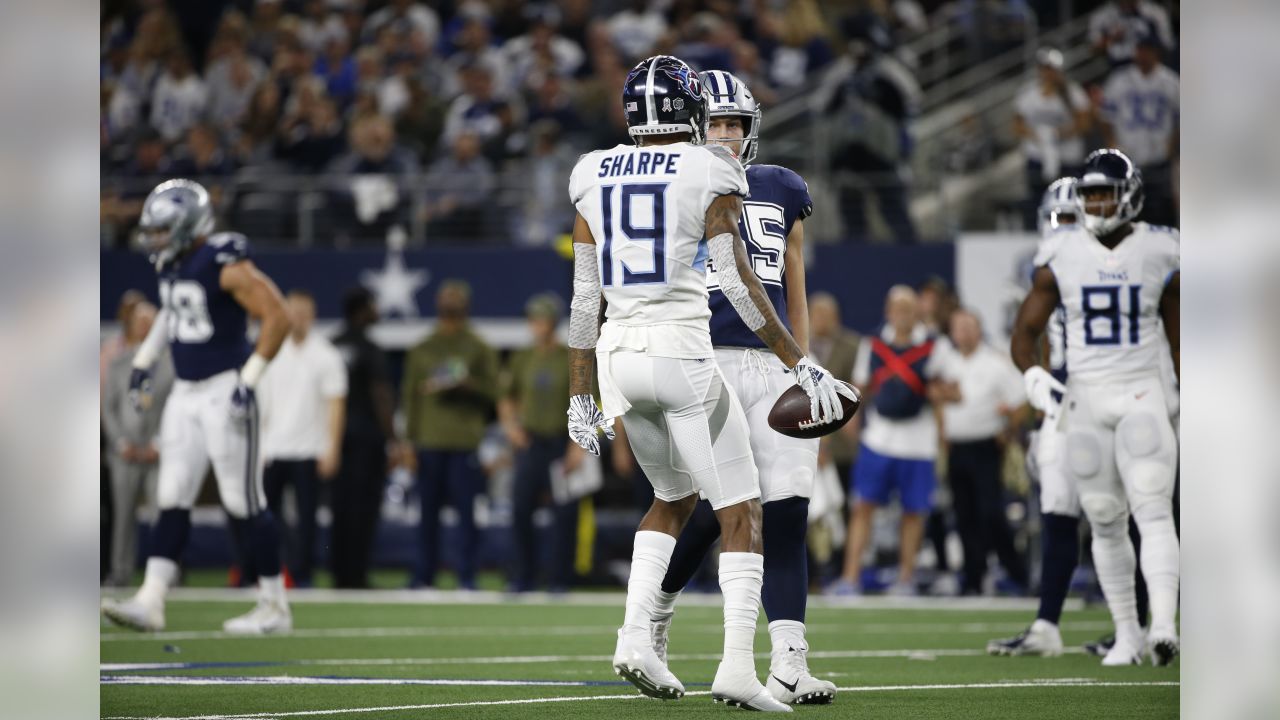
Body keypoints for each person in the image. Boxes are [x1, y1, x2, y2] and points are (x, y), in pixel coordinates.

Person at [565, 55, 851, 711]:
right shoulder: (708, 169)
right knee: (741, 510)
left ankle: (639, 636)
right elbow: (745, 287)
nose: (721, 131)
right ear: (689, 112)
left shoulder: (590, 170)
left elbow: (584, 302)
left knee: (671, 497)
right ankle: (734, 669)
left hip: (618, 359)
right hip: (688, 354)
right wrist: (800, 360)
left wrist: (582, 394)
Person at [646, 70, 837, 706]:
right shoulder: (676, 184)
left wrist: (800, 364)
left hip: (773, 366)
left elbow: (795, 286)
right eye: (716, 125)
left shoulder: (782, 187)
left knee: (786, 513)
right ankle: (653, 622)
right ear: (696, 126)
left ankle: (789, 660)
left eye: (736, 126)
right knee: (708, 512)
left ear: (751, 130)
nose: (726, 136)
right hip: (705, 359)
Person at [989, 175, 1181, 657]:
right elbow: (1030, 336)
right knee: (1084, 510)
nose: (1070, 227)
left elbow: (1172, 335)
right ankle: (1072, 625)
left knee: (1149, 508)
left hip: (1139, 391)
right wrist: (1037, 383)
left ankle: (1153, 623)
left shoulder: (1150, 253)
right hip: (1075, 400)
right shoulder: (1057, 264)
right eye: (1063, 218)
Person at [101, 179, 294, 634]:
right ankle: (151, 600)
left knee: (242, 500)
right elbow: (172, 311)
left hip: (225, 389)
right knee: (171, 496)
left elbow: (278, 316)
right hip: (185, 393)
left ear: (189, 225)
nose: (154, 239)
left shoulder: (222, 261)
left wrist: (250, 380)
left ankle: (274, 605)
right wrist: (146, 361)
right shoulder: (174, 264)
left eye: (163, 229)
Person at [830, 285, 943, 596]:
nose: (903, 316)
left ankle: (906, 578)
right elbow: (860, 390)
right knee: (862, 507)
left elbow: (946, 392)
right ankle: (850, 577)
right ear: (888, 312)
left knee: (913, 512)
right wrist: (853, 430)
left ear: (916, 312)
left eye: (908, 309)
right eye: (897, 309)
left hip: (919, 443)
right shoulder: (873, 344)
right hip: (878, 440)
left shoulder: (934, 346)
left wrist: (939, 395)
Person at [401, 280, 499, 590]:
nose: (451, 304)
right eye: (446, 299)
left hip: (463, 441)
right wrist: (407, 441)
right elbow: (410, 397)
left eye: (456, 299)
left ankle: (467, 575)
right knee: (426, 514)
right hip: (428, 441)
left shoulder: (479, 346)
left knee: (467, 516)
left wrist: (469, 386)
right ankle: (423, 574)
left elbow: (494, 393)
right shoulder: (423, 347)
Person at [933, 309, 1029, 595]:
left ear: (979, 330)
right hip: (956, 446)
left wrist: (1008, 430)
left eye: (968, 326)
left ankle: (1015, 572)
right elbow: (934, 393)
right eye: (958, 327)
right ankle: (973, 576)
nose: (962, 332)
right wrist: (941, 427)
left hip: (987, 446)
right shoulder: (946, 361)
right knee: (963, 514)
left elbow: (1021, 400)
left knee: (990, 512)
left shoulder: (995, 363)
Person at [257, 289, 348, 588]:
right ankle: (268, 571)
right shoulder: (270, 351)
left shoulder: (326, 355)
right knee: (267, 515)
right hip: (274, 447)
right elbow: (261, 403)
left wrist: (332, 447)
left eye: (303, 313)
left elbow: (336, 404)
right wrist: (260, 446)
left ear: (312, 317)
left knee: (307, 518)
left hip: (310, 449)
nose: (297, 319)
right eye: (292, 312)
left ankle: (303, 573)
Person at [500, 294, 581, 592]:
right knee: (521, 507)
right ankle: (523, 574)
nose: (536, 325)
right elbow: (506, 396)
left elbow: (588, 399)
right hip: (531, 442)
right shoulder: (522, 357)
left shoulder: (570, 357)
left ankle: (560, 577)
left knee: (565, 511)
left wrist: (578, 445)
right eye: (533, 319)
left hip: (562, 441)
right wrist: (511, 428)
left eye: (542, 319)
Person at [101, 302, 175, 587]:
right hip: (124, 453)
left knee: (163, 513)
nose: (144, 325)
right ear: (129, 324)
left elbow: (175, 403)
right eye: (139, 320)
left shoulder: (171, 362)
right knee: (123, 516)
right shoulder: (118, 362)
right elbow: (109, 407)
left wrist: (160, 441)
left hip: (160, 451)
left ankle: (164, 576)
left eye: (150, 320)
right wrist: (120, 442)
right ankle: (120, 571)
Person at [329, 288, 398, 589]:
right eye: (373, 305)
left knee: (340, 507)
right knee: (364, 508)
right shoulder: (370, 349)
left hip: (336, 437)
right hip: (366, 439)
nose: (377, 311)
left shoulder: (330, 345)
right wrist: (394, 438)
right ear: (361, 310)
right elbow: (380, 394)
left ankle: (339, 573)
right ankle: (356, 575)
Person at [1099, 34, 1179, 227]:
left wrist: (1173, 145)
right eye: (1140, 49)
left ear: (1156, 52)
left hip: (1159, 159)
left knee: (1161, 215)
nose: (1144, 54)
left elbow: (1181, 118)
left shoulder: (1170, 80)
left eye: (1148, 50)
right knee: (1127, 215)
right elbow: (1104, 116)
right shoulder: (1119, 79)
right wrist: (1111, 142)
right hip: (1128, 159)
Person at [1013, 48, 1092, 230]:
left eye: (1051, 69)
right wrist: (1038, 135)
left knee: (1069, 203)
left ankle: (1072, 237)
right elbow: (1017, 124)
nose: (1048, 73)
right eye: (1045, 68)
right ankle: (1036, 237)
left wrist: (1059, 134)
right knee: (1037, 202)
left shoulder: (1072, 92)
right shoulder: (1029, 93)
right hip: (1038, 158)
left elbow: (1085, 123)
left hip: (1067, 158)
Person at [808, 293, 861, 484]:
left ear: (836, 318)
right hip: (806, 431)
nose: (821, 320)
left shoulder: (853, 346)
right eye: (817, 314)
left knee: (844, 493)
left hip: (842, 438)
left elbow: (857, 388)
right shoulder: (796, 346)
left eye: (826, 315)